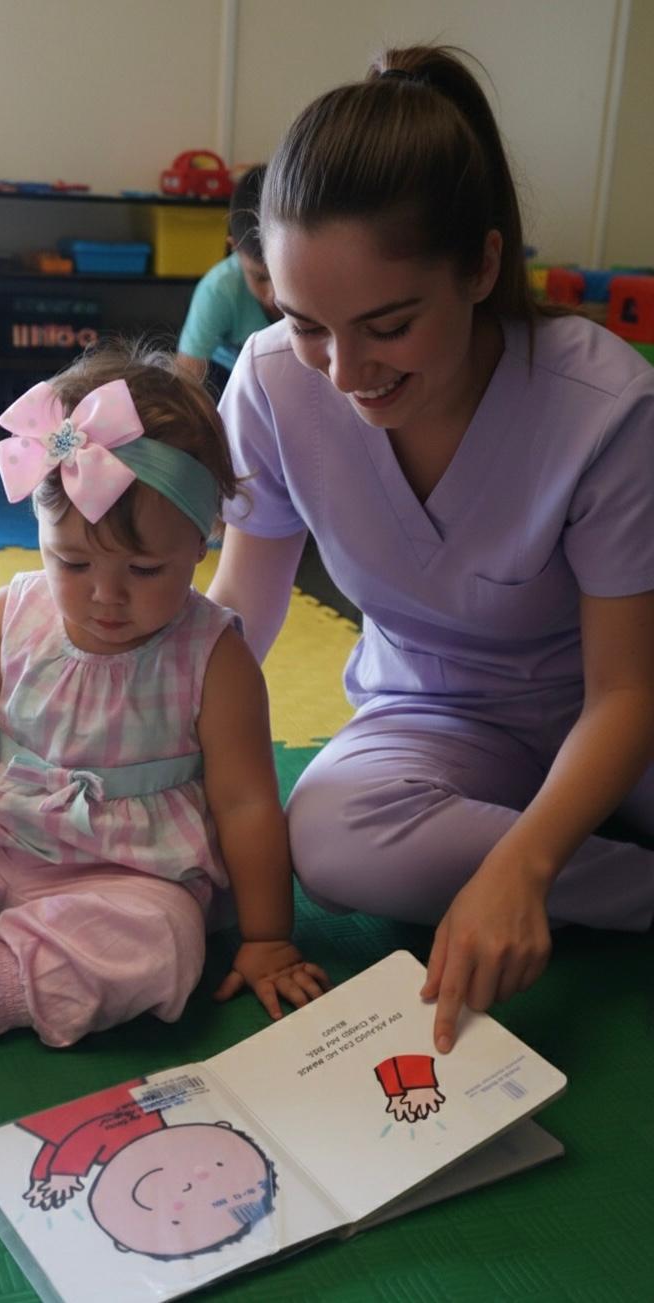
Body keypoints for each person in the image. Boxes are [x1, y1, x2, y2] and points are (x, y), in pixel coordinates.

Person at [208, 45, 654, 1055]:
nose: (345, 371)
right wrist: (146, 742)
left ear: (483, 266)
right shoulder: (274, 386)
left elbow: (625, 690)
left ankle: (547, 851)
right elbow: (241, 610)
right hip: (436, 714)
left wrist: (522, 866)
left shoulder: (606, 406)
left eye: (388, 325)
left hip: (616, 712)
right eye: (303, 322)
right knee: (327, 837)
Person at [0, 341, 328, 1047]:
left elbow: (249, 804)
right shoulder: (7, 617)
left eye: (144, 568)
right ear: (41, 533)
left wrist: (266, 937)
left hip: (122, 882)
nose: (106, 595)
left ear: (200, 545)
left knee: (167, 940)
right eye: (72, 561)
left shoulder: (216, 659)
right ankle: (4, 925)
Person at [177, 164, 281, 393]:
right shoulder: (219, 288)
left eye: (282, 275)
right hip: (229, 379)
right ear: (235, 248)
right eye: (260, 277)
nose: (275, 294)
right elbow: (187, 376)